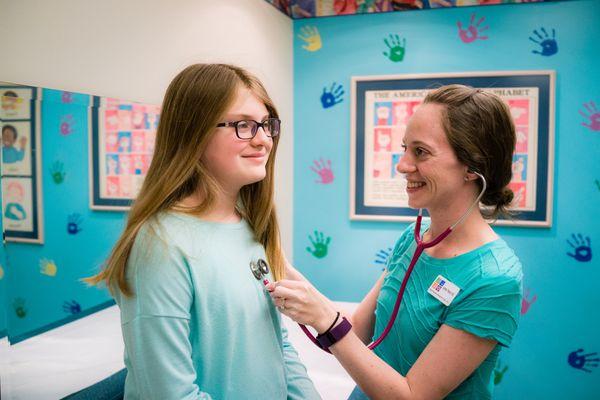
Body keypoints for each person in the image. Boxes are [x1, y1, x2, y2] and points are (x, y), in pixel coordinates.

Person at [268, 85, 523, 399]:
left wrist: (326, 319)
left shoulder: (495, 279)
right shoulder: (413, 239)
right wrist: (275, 260)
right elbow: (357, 329)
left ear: (473, 166)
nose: (402, 165)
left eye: (420, 152)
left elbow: (412, 395)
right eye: (405, 148)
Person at [87, 63, 320, 400]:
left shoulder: (251, 229)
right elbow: (170, 394)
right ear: (192, 133)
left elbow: (277, 344)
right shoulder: (160, 246)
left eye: (267, 125)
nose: (263, 139)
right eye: (243, 125)